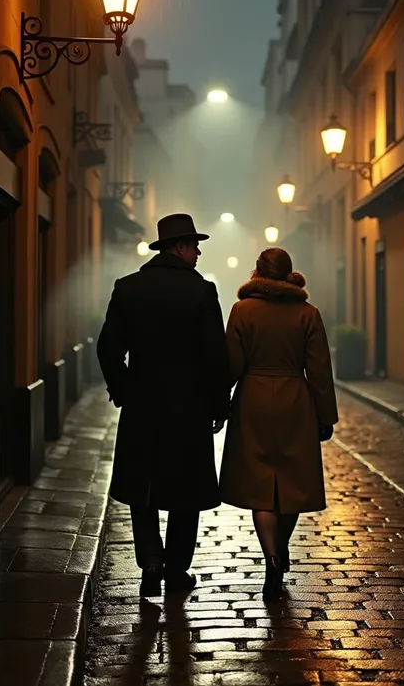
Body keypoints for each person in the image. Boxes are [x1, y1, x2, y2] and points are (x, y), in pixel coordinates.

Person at [97, 213, 230, 598]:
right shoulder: (202, 291)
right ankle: (176, 569)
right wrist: (218, 405)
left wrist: (124, 391)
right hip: (189, 409)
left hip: (142, 406)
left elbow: (107, 349)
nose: (198, 251)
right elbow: (214, 357)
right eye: (194, 244)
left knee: (144, 488)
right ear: (179, 247)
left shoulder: (128, 287)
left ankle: (150, 562)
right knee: (185, 492)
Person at [219, 247, 338, 601]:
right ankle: (281, 550)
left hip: (253, 398)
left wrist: (218, 403)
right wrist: (325, 415)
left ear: (257, 272)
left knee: (260, 487)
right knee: (293, 485)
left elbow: (232, 363)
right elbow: (318, 369)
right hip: (294, 401)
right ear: (288, 273)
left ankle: (271, 558)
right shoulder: (308, 314)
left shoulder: (242, 310)